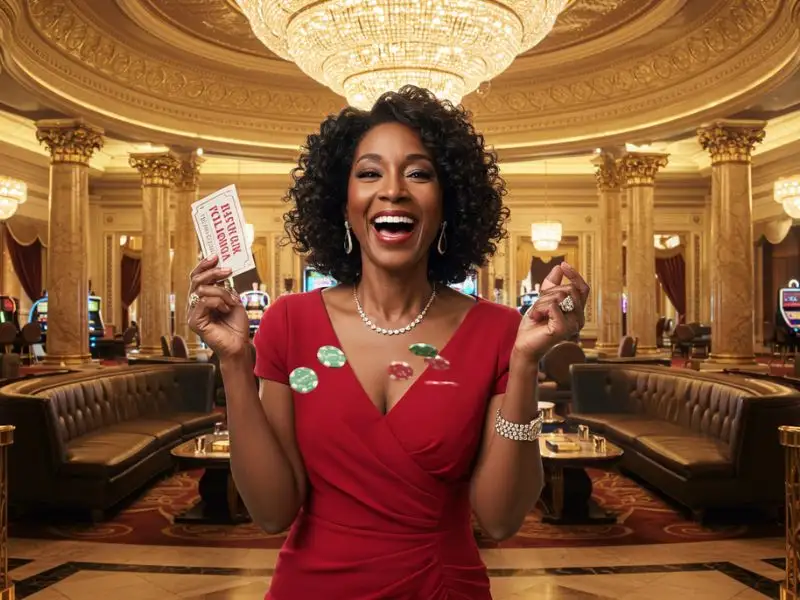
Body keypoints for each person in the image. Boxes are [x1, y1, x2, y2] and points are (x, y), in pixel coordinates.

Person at [187, 86, 589, 600]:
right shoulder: (290, 320)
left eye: (419, 173)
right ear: (344, 203)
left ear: (448, 204)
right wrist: (235, 362)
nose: (393, 190)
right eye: (369, 172)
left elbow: (502, 519)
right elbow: (270, 513)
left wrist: (528, 363)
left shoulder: (496, 330)